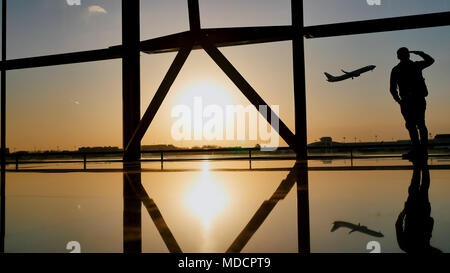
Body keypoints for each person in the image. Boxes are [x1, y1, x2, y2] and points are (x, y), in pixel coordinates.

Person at [390, 47, 434, 158]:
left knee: (415, 126)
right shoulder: (412, 66)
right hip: (411, 101)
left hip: (412, 101)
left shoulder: (399, 69)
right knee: (416, 125)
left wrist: (399, 101)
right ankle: (421, 151)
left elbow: (392, 89)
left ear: (399, 56)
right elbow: (392, 88)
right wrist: (420, 53)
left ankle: (419, 151)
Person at [395, 156, 441, 253]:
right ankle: (418, 164)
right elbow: (398, 224)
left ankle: (423, 162)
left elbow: (431, 220)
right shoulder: (404, 246)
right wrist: (404, 211)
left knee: (424, 185)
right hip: (411, 210)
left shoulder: (424, 248)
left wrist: (428, 228)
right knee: (415, 185)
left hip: (422, 212)